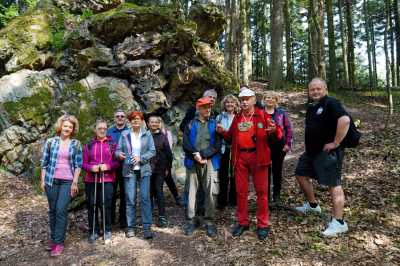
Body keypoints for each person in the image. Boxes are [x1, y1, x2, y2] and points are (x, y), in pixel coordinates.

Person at [216, 89, 282, 240]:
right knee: (240, 191)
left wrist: (274, 130)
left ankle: (262, 224)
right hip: (240, 157)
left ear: (254, 100)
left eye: (247, 99)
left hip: (258, 157)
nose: (244, 102)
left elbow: (277, 135)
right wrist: (222, 132)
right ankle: (243, 222)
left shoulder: (262, 114)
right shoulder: (238, 117)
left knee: (262, 193)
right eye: (242, 99)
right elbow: (230, 137)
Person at [294, 77, 350, 236]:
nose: (315, 92)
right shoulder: (312, 105)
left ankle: (339, 222)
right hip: (310, 152)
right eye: (312, 89)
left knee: (333, 183)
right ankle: (312, 205)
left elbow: (345, 120)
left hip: (327, 152)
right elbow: (308, 126)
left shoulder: (331, 103)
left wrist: (336, 142)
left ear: (326, 90)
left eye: (318, 89)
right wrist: (305, 145)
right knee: (300, 174)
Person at [40, 115, 82, 256]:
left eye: (70, 127)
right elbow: (44, 163)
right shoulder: (51, 142)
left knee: (61, 209)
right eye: (65, 126)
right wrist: (42, 180)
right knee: (52, 210)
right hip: (52, 180)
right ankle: (53, 239)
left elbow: (78, 165)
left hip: (67, 181)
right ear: (60, 127)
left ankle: (59, 242)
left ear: (73, 129)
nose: (67, 129)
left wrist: (75, 182)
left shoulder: (76, 144)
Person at [182, 98, 222, 238]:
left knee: (211, 191)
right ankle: (192, 221)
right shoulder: (190, 124)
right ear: (197, 109)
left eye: (209, 107)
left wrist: (203, 154)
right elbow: (185, 144)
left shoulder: (215, 123)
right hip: (193, 162)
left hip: (210, 161)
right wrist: (196, 156)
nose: (208, 109)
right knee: (191, 192)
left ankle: (209, 222)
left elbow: (217, 144)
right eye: (204, 107)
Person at [115, 111, 156, 239]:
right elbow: (118, 150)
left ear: (142, 121)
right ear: (130, 121)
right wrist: (119, 155)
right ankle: (131, 227)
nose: (136, 121)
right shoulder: (125, 134)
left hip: (144, 170)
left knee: (145, 198)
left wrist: (141, 158)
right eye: (133, 119)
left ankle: (147, 227)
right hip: (129, 170)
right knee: (131, 199)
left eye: (138, 119)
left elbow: (152, 151)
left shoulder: (147, 134)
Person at [82, 119, 121, 243]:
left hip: (108, 178)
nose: (102, 130)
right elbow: (83, 163)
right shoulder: (89, 145)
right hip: (91, 179)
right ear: (95, 129)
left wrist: (108, 167)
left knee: (106, 205)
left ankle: (107, 229)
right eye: (100, 128)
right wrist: (90, 167)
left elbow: (118, 162)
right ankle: (93, 230)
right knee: (92, 205)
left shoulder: (112, 144)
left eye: (104, 128)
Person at [262, 91, 293, 204]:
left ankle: (276, 195)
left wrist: (288, 144)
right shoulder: (259, 113)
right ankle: (266, 196)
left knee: (277, 170)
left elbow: (288, 129)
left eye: (273, 98)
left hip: (279, 146)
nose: (270, 100)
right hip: (264, 146)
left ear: (276, 101)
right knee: (265, 171)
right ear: (264, 100)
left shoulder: (281, 113)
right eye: (268, 98)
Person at [215, 94, 240, 210]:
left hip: (236, 150)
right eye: (227, 102)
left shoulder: (239, 117)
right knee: (223, 175)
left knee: (235, 175)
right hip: (223, 150)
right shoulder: (220, 117)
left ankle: (233, 199)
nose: (229, 104)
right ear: (224, 105)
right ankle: (222, 201)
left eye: (232, 102)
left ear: (236, 105)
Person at [148, 116, 173, 227]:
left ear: (159, 124)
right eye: (152, 122)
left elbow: (169, 155)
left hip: (160, 168)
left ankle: (161, 216)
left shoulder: (163, 136)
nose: (154, 124)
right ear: (148, 124)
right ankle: (148, 216)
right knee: (148, 192)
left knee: (158, 190)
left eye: (156, 122)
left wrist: (168, 168)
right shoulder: (144, 136)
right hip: (146, 168)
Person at [107, 109, 129, 228]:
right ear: (114, 118)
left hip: (127, 167)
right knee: (111, 194)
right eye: (117, 116)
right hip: (112, 168)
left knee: (125, 194)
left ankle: (123, 219)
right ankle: (110, 219)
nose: (120, 118)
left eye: (122, 116)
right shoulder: (108, 133)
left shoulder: (130, 132)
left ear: (125, 118)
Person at [158, 117, 183, 206]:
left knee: (168, 179)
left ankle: (177, 197)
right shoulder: (150, 134)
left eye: (159, 122)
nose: (157, 124)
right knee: (156, 182)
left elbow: (169, 148)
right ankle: (157, 200)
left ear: (161, 123)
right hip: (154, 162)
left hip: (165, 161)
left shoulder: (166, 133)